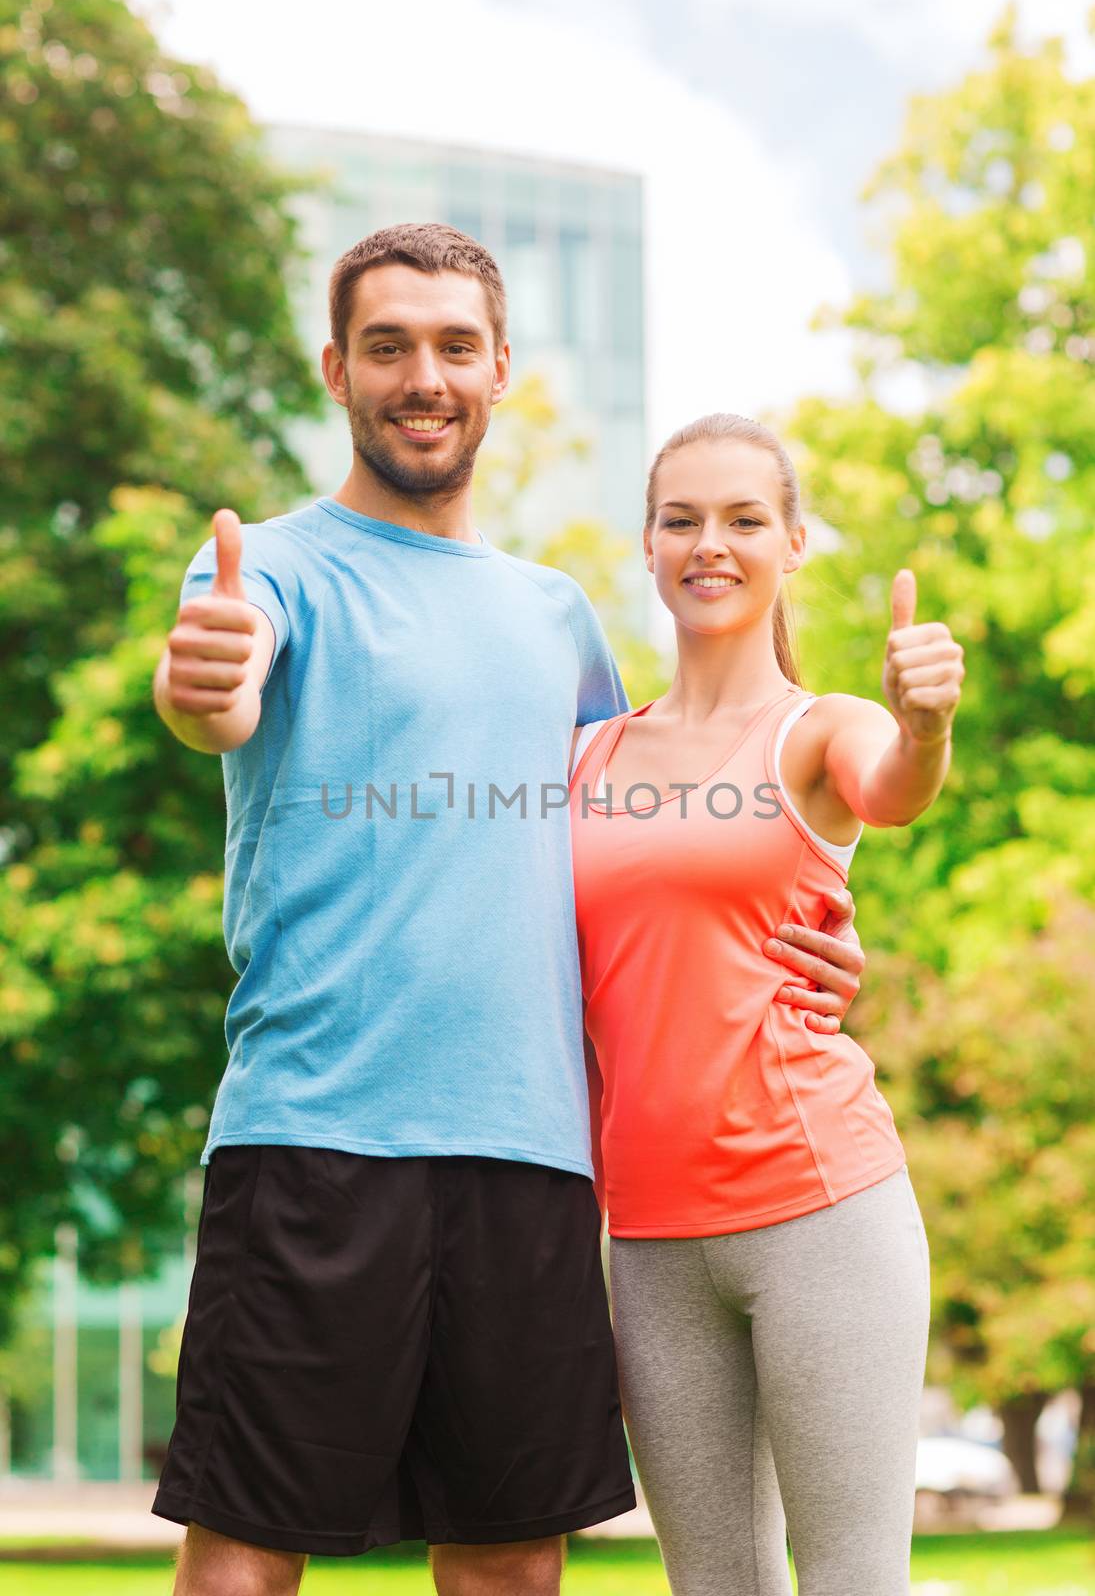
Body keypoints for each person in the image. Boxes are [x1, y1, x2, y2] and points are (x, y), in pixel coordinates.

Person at [151, 229, 865, 1596]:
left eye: (452, 346)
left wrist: (806, 942)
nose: (423, 375)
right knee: (244, 1561)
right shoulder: (270, 574)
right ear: (335, 369)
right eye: (387, 345)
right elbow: (217, 697)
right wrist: (204, 681)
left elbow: (638, 855)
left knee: (511, 1568)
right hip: (316, 1137)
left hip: (533, 1161)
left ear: (498, 373)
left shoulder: (559, 620)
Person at [568, 413, 964, 1596]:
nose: (712, 543)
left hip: (819, 1212)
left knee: (850, 1581)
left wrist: (928, 723)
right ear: (647, 545)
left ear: (792, 543)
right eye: (682, 519)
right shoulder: (587, 758)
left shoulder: (818, 729)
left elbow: (891, 787)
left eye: (745, 519)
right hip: (645, 1239)